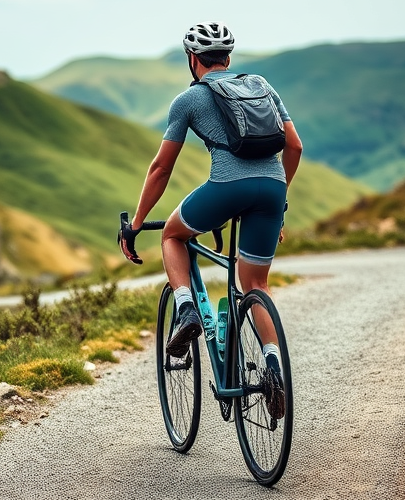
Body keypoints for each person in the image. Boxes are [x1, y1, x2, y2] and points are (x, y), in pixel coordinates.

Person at [118, 21, 302, 402]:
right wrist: (279, 205)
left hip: (225, 189)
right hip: (271, 192)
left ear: (192, 59)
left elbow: (161, 169)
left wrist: (135, 224)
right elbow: (294, 147)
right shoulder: (262, 86)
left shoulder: (188, 100)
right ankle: (273, 370)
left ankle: (186, 309)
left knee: (173, 235)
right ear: (229, 57)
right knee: (255, 285)